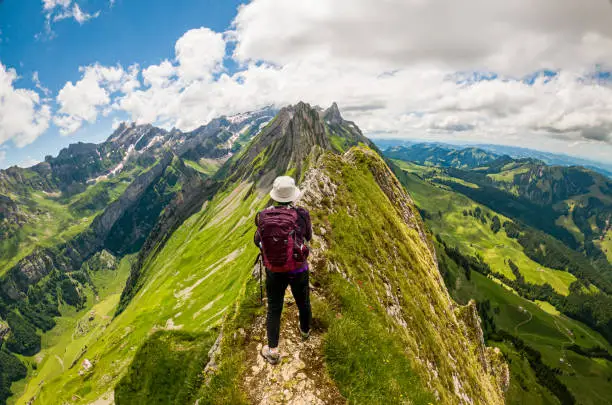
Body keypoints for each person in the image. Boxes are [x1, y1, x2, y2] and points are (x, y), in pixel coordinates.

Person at [254, 176, 312, 365]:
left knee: (274, 308)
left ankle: (272, 351)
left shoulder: (263, 215)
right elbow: (308, 236)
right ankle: (304, 332)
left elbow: (257, 240)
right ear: (292, 195)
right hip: (297, 268)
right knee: (303, 302)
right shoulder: (301, 214)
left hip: (274, 270)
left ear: (276, 195)